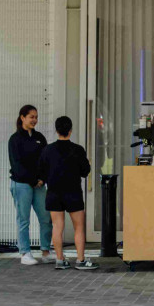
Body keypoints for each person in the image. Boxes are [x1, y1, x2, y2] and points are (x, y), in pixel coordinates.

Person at [39, 115, 96, 271]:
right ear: (70, 130)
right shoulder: (77, 150)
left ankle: (59, 259)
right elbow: (85, 171)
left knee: (57, 227)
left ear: (57, 130)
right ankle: (80, 260)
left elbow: (42, 172)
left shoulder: (47, 150)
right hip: (73, 193)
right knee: (79, 227)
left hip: (53, 193)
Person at [7, 104, 53, 265]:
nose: (35, 120)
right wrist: (33, 180)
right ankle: (25, 253)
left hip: (39, 185)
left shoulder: (40, 137)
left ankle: (46, 251)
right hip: (21, 185)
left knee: (46, 217)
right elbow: (17, 165)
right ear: (22, 117)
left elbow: (46, 160)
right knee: (23, 219)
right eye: (31, 117)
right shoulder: (15, 139)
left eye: (36, 117)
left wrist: (42, 179)